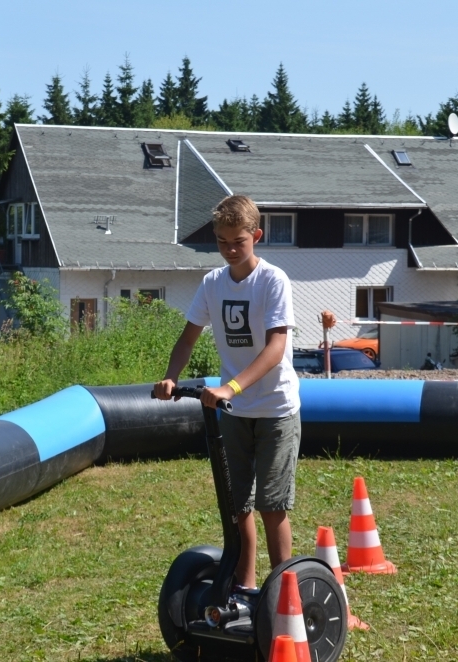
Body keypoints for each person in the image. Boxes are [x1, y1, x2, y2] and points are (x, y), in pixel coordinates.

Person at [154, 194, 300, 592]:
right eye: (222, 241)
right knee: (238, 507)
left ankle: (282, 594)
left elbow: (275, 348)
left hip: (275, 409)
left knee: (271, 506)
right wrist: (170, 377)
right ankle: (245, 588)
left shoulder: (272, 280)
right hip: (235, 412)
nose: (230, 249)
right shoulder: (212, 284)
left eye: (239, 241)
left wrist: (229, 387)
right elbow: (187, 338)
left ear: (257, 236)